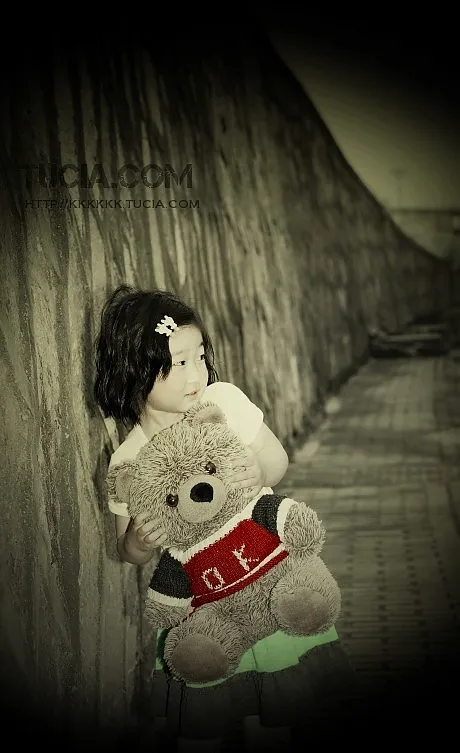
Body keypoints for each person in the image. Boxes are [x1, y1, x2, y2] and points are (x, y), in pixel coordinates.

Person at [94, 284, 357, 749]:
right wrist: (137, 539)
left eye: (199, 356)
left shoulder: (224, 403)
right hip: (205, 606)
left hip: (268, 578)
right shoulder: (130, 460)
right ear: (136, 370)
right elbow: (128, 552)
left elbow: (277, 461)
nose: (196, 372)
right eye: (178, 363)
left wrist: (252, 474)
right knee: (209, 711)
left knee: (283, 699)